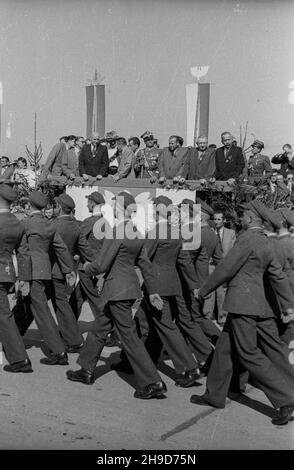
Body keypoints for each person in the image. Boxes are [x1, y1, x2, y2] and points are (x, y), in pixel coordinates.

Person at [190, 200, 294, 426]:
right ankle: (215, 395)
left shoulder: (246, 238)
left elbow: (226, 268)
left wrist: (204, 290)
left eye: (243, 216)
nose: (240, 219)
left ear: (249, 218)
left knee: (249, 353)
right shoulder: (265, 241)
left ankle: (286, 400)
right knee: (225, 350)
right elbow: (277, 275)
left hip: (242, 304)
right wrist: (288, 305)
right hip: (259, 306)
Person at [67, 191, 168, 400]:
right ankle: (85, 370)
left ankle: (152, 381)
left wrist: (85, 267)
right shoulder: (136, 232)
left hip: (116, 290)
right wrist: (153, 291)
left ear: (119, 208)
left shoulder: (117, 231)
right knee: (100, 328)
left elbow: (101, 265)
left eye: (114, 205)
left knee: (129, 338)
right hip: (128, 289)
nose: (111, 208)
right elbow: (145, 265)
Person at [22, 190, 76, 365]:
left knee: (42, 311)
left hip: (31, 271)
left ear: (29, 204)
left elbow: (20, 248)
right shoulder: (49, 224)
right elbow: (61, 248)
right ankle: (12, 336)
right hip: (45, 270)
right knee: (28, 305)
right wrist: (69, 270)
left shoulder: (27, 223)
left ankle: (59, 351)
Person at [0, 184, 32, 373]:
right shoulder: (18, 223)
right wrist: (25, 278)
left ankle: (20, 359)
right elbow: (23, 253)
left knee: (4, 315)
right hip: (7, 272)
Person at [208, 210, 236, 325]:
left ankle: (222, 318)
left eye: (219, 219)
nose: (216, 222)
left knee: (222, 293)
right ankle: (207, 317)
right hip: (210, 266)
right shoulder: (209, 232)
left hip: (223, 267)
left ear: (224, 220)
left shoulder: (231, 233)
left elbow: (233, 251)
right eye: (215, 219)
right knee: (209, 293)